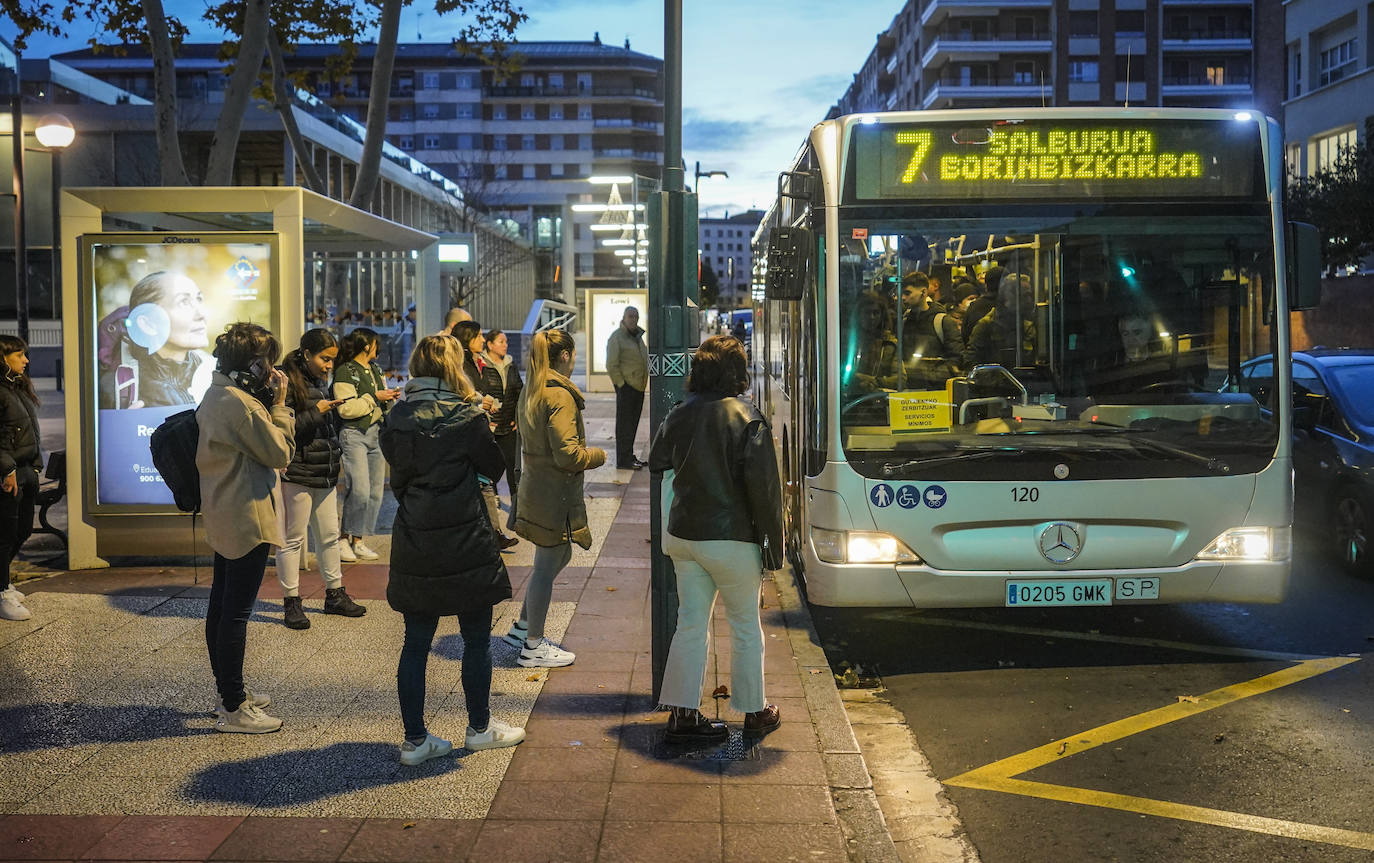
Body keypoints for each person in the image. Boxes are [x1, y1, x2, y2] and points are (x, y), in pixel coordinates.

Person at [381, 335, 526, 765]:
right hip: (465, 535)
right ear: (453, 367)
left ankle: (415, 740)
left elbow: (399, 479)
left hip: (417, 535)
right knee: (476, 639)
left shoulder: (398, 416)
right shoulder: (467, 417)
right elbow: (493, 467)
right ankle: (480, 729)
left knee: (415, 642)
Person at [649, 335, 783, 742]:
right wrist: (773, 550)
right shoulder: (748, 418)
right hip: (732, 538)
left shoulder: (679, 412)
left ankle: (684, 716)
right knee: (744, 624)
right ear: (738, 373)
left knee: (690, 623)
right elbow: (765, 491)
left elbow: (657, 461)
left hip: (686, 536)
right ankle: (755, 712)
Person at [197, 322, 295, 733]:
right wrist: (281, 405)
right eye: (267, 362)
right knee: (235, 613)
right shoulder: (243, 406)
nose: (271, 369)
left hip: (224, 510)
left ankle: (229, 692)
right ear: (255, 366)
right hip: (246, 517)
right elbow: (280, 452)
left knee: (221, 605)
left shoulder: (216, 393)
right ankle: (235, 707)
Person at [506, 329, 606, 667]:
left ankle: (522, 627)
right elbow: (568, 455)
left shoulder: (533, 390)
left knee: (556, 555)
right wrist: (598, 455)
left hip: (537, 485)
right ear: (565, 356)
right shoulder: (559, 396)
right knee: (548, 565)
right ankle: (533, 646)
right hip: (553, 493)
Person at [275, 328, 365, 630]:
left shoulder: (318, 381)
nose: (329, 366)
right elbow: (282, 427)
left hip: (324, 470)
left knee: (328, 535)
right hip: (297, 471)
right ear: (307, 354)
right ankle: (292, 602)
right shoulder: (284, 381)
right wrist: (317, 411)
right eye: (325, 359)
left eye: (332, 360)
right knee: (292, 539)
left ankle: (335, 594)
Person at [98, 271, 213, 409]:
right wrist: (125, 425)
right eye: (184, 302)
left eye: (199, 299)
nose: (202, 314)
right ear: (147, 323)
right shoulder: (114, 388)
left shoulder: (214, 373)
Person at [334, 327, 401, 562]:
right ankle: (343, 539)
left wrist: (388, 397)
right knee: (359, 489)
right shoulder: (345, 371)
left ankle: (359, 539)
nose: (378, 348)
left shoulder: (375, 369)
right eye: (376, 343)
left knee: (375, 492)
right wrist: (375, 398)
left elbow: (376, 398)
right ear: (367, 345)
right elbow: (345, 408)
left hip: (376, 433)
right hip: (354, 434)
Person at [452, 320, 518, 550]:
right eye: (478, 336)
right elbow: (462, 397)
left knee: (487, 481)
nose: (481, 339)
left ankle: (493, 532)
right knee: (483, 483)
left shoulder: (472, 362)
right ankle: (489, 533)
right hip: (469, 431)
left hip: (483, 426)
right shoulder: (461, 365)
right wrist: (481, 403)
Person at [0, 336, 41, 622]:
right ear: (3, 358)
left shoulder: (16, 386)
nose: (25, 360)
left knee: (23, 530)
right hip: (9, 473)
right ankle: (2, 593)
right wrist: (6, 469)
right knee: (4, 536)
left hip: (27, 470)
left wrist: (34, 468)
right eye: (19, 355)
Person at [483, 328, 524, 533]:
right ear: (489, 345)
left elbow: (519, 391)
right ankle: (494, 497)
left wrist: (517, 416)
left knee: (513, 465)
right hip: (490, 425)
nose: (505, 345)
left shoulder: (510, 364)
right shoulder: (482, 366)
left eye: (506, 341)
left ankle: (517, 506)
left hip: (508, 424)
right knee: (491, 464)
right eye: (500, 341)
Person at [898, 271, 964, 385]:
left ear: (923, 292)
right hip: (909, 389)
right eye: (902, 293)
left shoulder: (942, 322)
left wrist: (930, 376)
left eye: (907, 293)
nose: (903, 298)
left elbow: (956, 358)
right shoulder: (904, 321)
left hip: (936, 390)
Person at [605, 306, 649, 470]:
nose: (633, 319)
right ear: (624, 318)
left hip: (638, 387)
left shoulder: (637, 337)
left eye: (636, 317)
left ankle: (629, 456)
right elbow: (611, 364)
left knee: (632, 424)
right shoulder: (617, 338)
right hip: (627, 388)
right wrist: (621, 385)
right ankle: (623, 460)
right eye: (630, 316)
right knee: (624, 426)